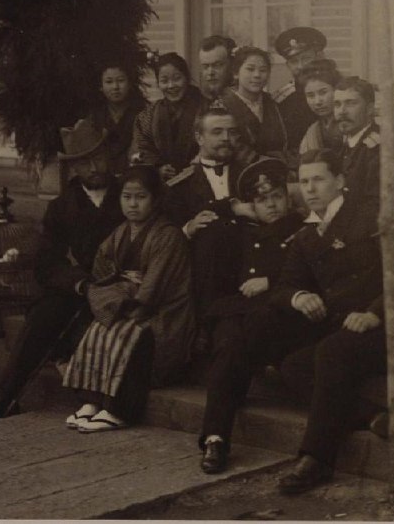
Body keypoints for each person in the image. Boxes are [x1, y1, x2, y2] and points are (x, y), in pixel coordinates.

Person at [268, 149, 394, 495]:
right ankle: (370, 415)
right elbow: (284, 285)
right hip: (351, 333)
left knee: (331, 351)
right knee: (293, 367)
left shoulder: (372, 216)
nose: (310, 189)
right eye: (304, 181)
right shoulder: (306, 235)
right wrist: (299, 297)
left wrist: (376, 312)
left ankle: (317, 458)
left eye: (319, 179)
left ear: (340, 181)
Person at [0, 120, 124, 421]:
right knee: (44, 316)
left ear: (109, 155)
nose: (94, 168)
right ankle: (4, 397)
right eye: (84, 162)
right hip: (79, 285)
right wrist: (79, 283)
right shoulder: (62, 206)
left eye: (98, 158)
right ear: (73, 168)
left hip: (120, 284)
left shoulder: (128, 196)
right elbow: (47, 264)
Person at [63, 165, 195, 432]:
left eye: (141, 197)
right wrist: (122, 282)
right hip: (130, 303)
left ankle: (119, 408)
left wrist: (127, 291)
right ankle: (93, 400)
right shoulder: (121, 232)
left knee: (126, 331)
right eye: (127, 197)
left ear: (155, 199)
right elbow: (101, 271)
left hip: (164, 315)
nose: (133, 204)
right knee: (100, 327)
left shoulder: (168, 235)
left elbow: (153, 289)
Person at [198, 158, 305, 474]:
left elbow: (309, 275)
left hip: (277, 314)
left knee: (231, 348)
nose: (271, 205)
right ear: (251, 205)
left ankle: (216, 438)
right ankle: (215, 438)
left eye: (277, 197)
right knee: (229, 341)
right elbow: (210, 211)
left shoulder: (300, 230)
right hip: (238, 312)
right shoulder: (241, 232)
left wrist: (269, 281)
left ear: (288, 198)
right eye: (261, 199)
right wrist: (235, 207)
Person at [163, 108, 246, 315]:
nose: (226, 138)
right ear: (199, 138)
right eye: (217, 132)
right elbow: (166, 234)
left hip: (247, 267)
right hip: (204, 278)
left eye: (231, 132)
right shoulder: (180, 185)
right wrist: (188, 228)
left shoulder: (249, 176)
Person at [130, 52, 204, 182]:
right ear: (158, 83)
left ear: (187, 78)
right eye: (164, 81)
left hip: (201, 178)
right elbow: (141, 148)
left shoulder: (205, 109)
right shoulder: (148, 115)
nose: (171, 85)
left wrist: (199, 163)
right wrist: (158, 168)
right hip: (162, 183)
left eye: (177, 78)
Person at [220, 46, 288, 160]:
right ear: (236, 73)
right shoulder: (222, 105)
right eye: (250, 69)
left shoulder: (273, 103)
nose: (257, 75)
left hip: (276, 165)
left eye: (263, 70)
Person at [84, 61, 146, 176]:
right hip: (102, 175)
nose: (115, 87)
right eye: (109, 82)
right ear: (101, 86)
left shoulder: (142, 112)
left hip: (134, 174)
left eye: (121, 81)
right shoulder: (94, 115)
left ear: (130, 84)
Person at [273, 27, 328, 151]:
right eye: (294, 61)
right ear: (288, 65)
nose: (301, 66)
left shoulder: (338, 91)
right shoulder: (282, 100)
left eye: (306, 58)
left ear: (319, 57)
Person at [333, 76, 381, 203]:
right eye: (337, 104)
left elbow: (374, 202)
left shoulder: (377, 148)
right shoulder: (343, 142)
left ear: (369, 109)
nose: (342, 111)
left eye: (350, 103)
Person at [297, 59, 343, 155]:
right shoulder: (314, 129)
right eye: (310, 95)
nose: (317, 102)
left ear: (336, 90)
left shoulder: (350, 124)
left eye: (323, 92)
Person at [199, 35, 237, 108]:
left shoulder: (241, 100)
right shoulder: (201, 101)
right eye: (205, 66)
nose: (210, 72)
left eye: (217, 65)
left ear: (232, 65)